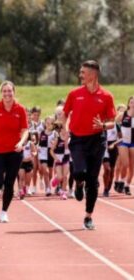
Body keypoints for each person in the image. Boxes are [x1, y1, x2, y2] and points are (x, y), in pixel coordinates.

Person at [62, 60, 116, 230]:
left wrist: (103, 126)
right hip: (77, 139)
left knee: (92, 181)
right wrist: (63, 129)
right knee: (79, 172)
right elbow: (64, 114)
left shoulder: (106, 96)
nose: (80, 75)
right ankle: (78, 183)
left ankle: (88, 216)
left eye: (83, 73)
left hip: (97, 140)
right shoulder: (74, 93)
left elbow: (112, 122)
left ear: (93, 75)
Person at [0, 81, 28, 223]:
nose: (7, 94)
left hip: (14, 152)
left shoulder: (20, 110)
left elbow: (25, 130)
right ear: (1, 93)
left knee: (9, 182)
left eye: (10, 91)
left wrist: (21, 142)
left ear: (14, 92)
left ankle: (3, 212)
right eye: (4, 91)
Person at [115, 96, 134, 195]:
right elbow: (114, 122)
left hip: (133, 143)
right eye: (131, 102)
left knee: (132, 167)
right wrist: (118, 134)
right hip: (124, 142)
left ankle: (127, 186)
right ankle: (121, 182)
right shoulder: (123, 114)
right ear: (128, 104)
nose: (133, 104)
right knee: (125, 164)